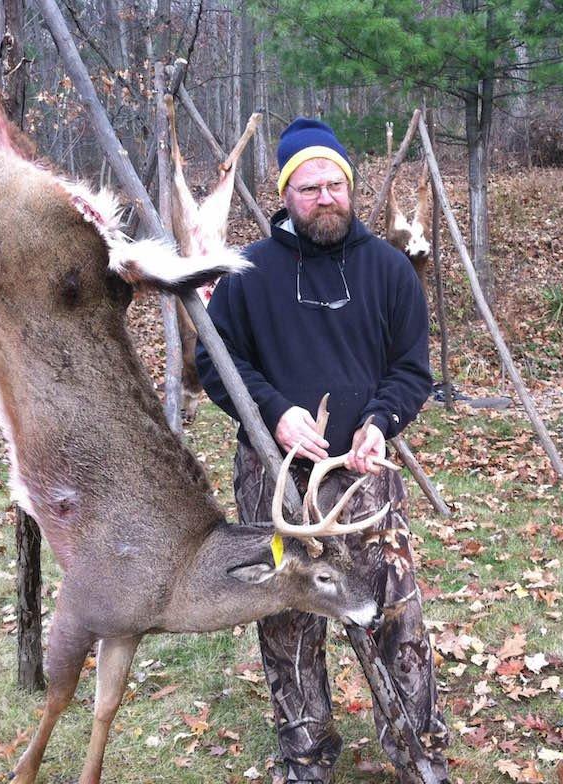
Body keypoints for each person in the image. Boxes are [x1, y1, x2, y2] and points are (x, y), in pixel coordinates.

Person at [195, 118, 449, 784]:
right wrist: (276, 415)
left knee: (392, 609)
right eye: (308, 187)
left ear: (351, 186)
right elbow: (214, 360)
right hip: (274, 481)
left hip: (363, 480)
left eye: (335, 183)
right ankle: (306, 755)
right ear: (285, 194)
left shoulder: (390, 270)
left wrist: (381, 421)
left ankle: (417, 749)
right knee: (286, 617)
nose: (326, 197)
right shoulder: (246, 274)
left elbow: (411, 369)